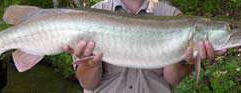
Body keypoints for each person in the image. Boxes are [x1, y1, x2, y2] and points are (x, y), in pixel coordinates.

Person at [62, 0, 226, 93]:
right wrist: (90, 64)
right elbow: (87, 83)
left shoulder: (172, 15)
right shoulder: (91, 15)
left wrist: (188, 61)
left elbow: (172, 79)